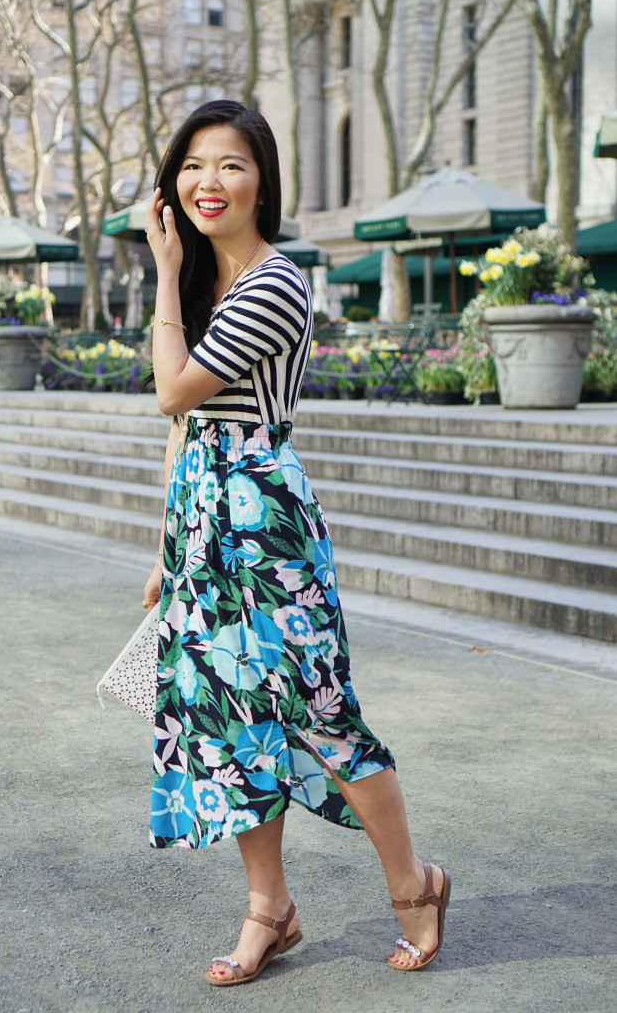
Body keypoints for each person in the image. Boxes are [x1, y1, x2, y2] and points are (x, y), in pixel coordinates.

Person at [142, 99, 450, 986]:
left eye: (230, 164)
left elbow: (172, 390)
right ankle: (268, 910)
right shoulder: (207, 290)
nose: (208, 181)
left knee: (320, 710)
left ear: (262, 181)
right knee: (230, 719)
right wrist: (165, 549)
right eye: (192, 165)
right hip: (203, 517)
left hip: (264, 516)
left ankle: (414, 883)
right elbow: (182, 428)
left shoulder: (274, 283)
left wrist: (163, 272)